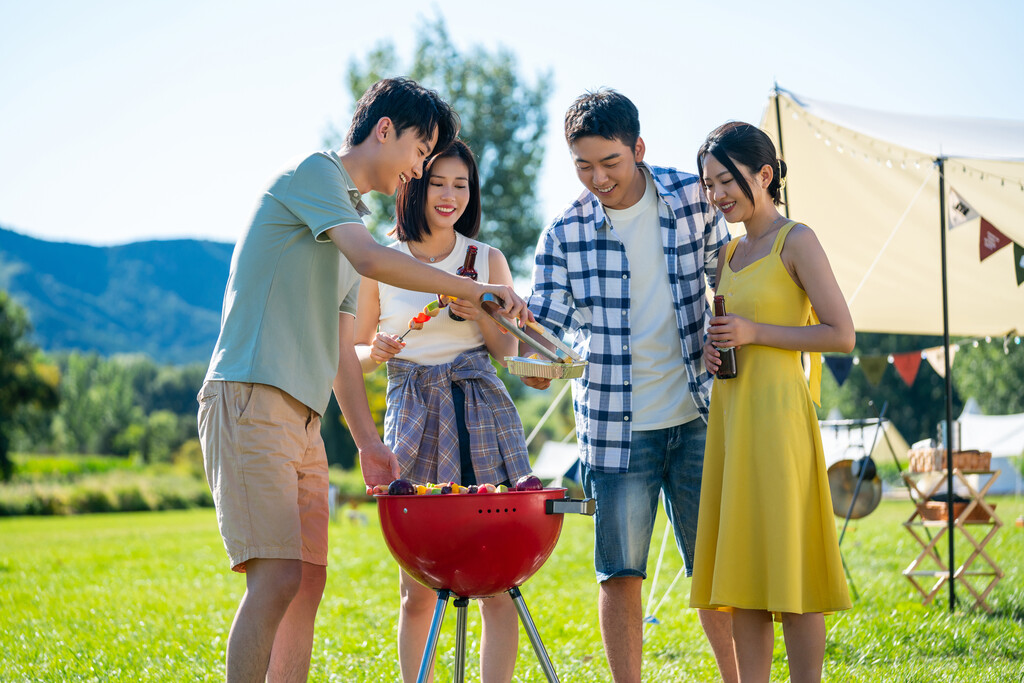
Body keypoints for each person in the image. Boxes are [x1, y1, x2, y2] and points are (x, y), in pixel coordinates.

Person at [196, 78, 531, 683]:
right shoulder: (317, 176)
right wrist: (476, 290)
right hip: (250, 393)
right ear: (384, 130)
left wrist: (369, 444)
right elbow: (378, 262)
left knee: (305, 580)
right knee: (275, 577)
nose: (418, 169)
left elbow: (340, 350)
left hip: (301, 415)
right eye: (419, 152)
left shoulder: (347, 220)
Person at [522, 89, 738, 683]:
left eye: (610, 163)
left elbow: (732, 270)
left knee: (717, 569)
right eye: (583, 166)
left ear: (638, 149)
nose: (598, 178)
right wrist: (537, 359)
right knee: (619, 572)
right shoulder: (564, 233)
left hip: (699, 411)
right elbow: (545, 329)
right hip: (616, 428)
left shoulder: (695, 198)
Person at [353, 139, 531, 682]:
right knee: (418, 586)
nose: (451, 195)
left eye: (462, 184)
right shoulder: (380, 259)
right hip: (412, 410)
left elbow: (509, 353)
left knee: (496, 576)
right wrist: (375, 351)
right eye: (438, 183)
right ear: (413, 185)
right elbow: (353, 354)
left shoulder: (485, 260)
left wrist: (479, 310)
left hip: (480, 404)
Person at [688, 121, 855, 683]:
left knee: (792, 566)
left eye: (726, 181)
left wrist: (756, 332)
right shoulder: (728, 252)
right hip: (733, 421)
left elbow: (840, 334)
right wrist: (717, 352)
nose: (717, 196)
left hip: (780, 420)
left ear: (764, 174)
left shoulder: (797, 240)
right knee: (746, 571)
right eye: (709, 185)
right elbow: (733, 333)